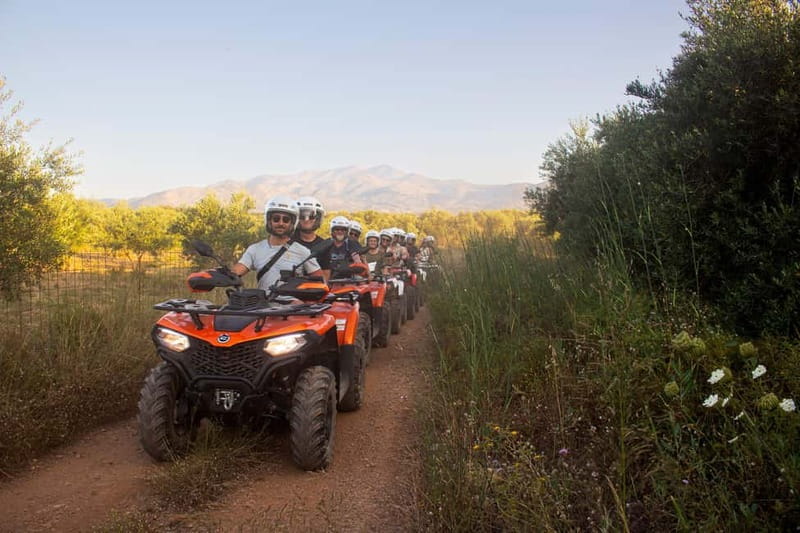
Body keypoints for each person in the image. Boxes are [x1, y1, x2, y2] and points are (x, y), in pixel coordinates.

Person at [231, 196, 322, 292]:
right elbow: (236, 271)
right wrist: (220, 275)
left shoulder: (303, 251)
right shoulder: (255, 249)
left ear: (292, 223)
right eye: (276, 219)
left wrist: (304, 294)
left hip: (293, 305)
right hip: (263, 305)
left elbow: (320, 281)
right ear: (269, 220)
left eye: (286, 220)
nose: (281, 223)